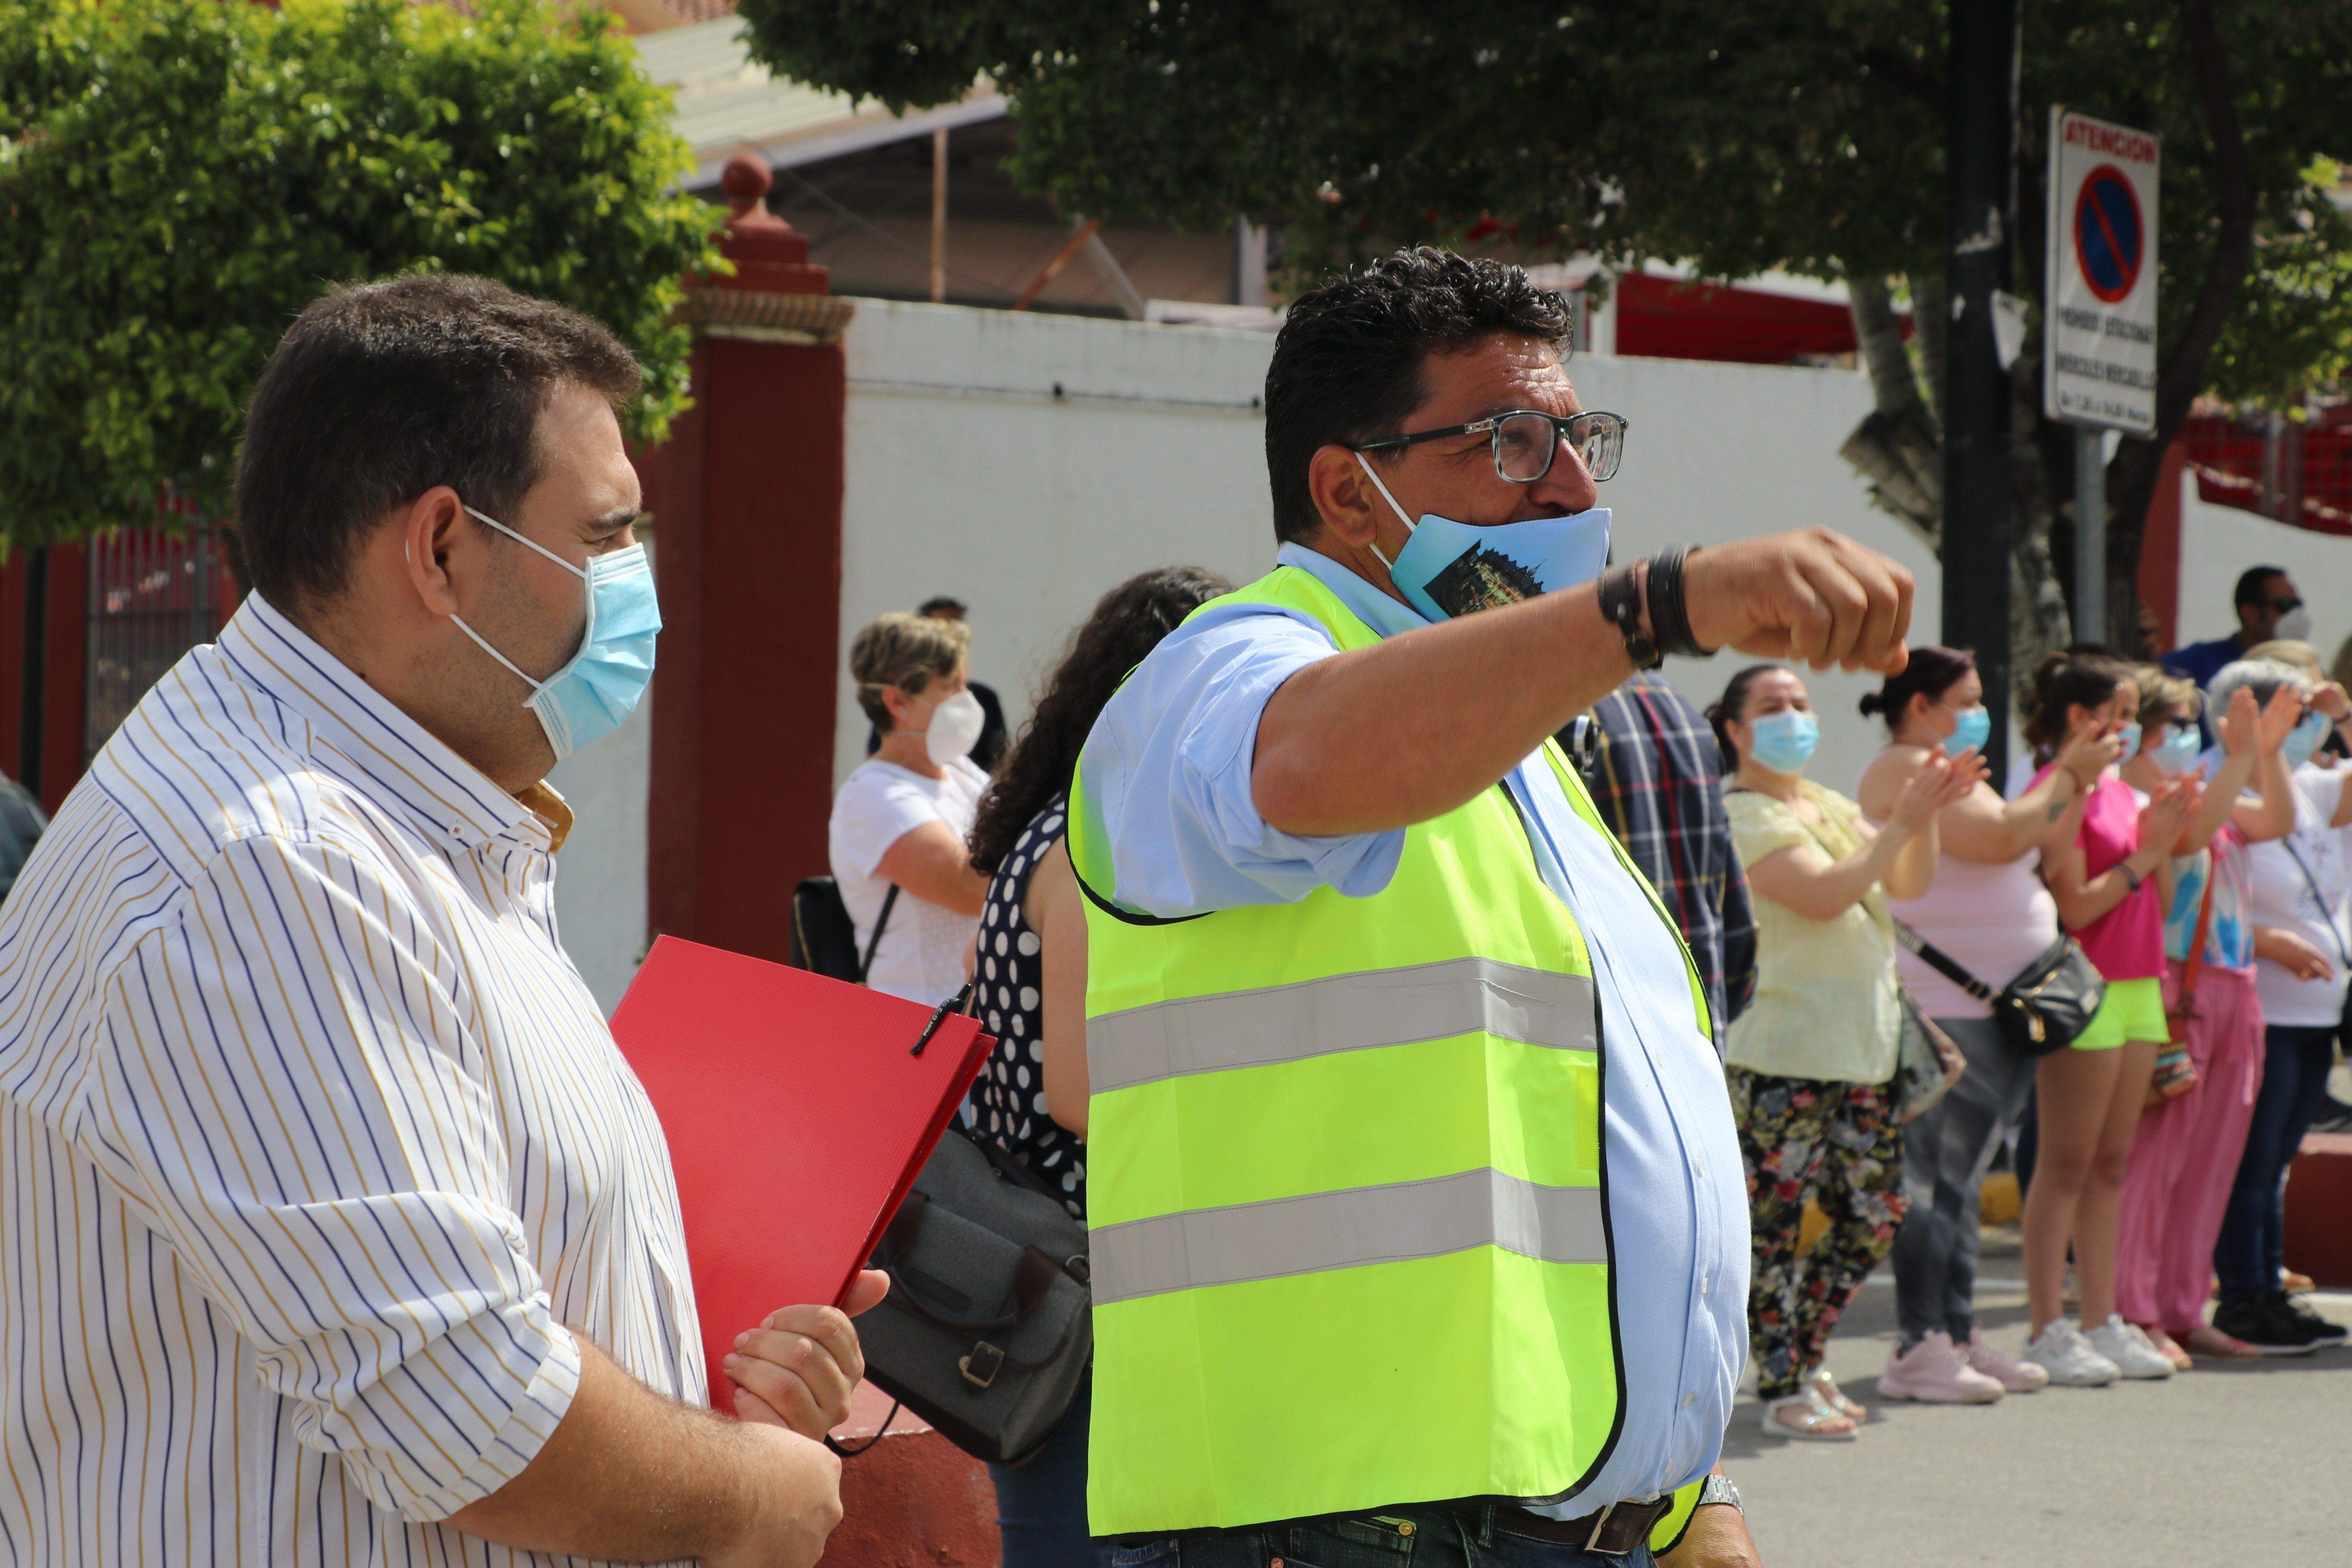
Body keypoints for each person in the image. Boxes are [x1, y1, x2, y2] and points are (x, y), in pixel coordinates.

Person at [0, 275, 876, 1566]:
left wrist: (710, 1353)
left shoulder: (413, 823)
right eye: (608, 536)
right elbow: (469, 1410)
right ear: (445, 550)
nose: (638, 585)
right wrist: (751, 1494)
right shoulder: (278, 865)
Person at [1070, 248, 1918, 1566]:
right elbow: (1297, 761)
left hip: (1574, 1520)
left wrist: (1693, 1500)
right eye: (1513, 443)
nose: (1575, 484)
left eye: (1581, 437)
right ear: (1350, 491)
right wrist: (1654, 609)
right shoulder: (1232, 662)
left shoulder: (1523, 755)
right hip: (1329, 1524)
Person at [960, 565, 1231, 1568]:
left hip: (1054, 1264)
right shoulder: (1087, 846)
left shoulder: (1059, 827)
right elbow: (1077, 1091)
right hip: (1078, 1271)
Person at [1711, 663, 1979, 1439]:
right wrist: (1904, 819)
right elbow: (1823, 893)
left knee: (1873, 1212)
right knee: (1775, 1224)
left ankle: (1804, 1354)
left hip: (1861, 1051)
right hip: (1782, 1056)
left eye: (1800, 702)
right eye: (1771, 706)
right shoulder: (1745, 810)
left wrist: (1923, 813)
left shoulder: (1823, 800)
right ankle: (1784, 1378)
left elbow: (1907, 878)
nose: (1793, 716)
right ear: (1735, 729)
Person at [1854, 646, 2116, 1403]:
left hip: (1995, 1005)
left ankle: (1958, 1334)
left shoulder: (1950, 767)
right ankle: (1919, 1343)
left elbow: (2038, 843)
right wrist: (2067, 771)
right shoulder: (1909, 765)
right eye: (1966, 699)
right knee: (1932, 1183)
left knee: (1963, 1184)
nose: (1979, 712)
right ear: (1920, 707)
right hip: (1947, 1006)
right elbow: (2003, 838)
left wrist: (2075, 784)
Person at [2024, 652, 2198, 1385]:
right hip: (2083, 987)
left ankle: (2103, 1318)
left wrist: (2162, 838)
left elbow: (2154, 895)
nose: (2131, 731)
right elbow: (2077, 905)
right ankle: (2046, 1328)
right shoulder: (2054, 790)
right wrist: (2152, 851)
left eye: (2133, 718)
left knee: (2112, 1163)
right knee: (2064, 1163)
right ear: (2078, 719)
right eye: (2122, 716)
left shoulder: (2125, 795)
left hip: (2136, 986)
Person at [2115, 662, 2298, 1363]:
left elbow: (2274, 820)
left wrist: (2268, 756)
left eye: (2191, 728)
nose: (2185, 741)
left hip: (2234, 988)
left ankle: (2184, 1307)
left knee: (2212, 1162)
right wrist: (2244, 759)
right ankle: (2137, 1309)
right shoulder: (2145, 802)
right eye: (2172, 728)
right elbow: (2191, 838)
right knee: (2155, 1162)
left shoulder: (2199, 792)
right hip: (2176, 990)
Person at [2213, 655, 2352, 1352]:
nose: (2308, 726)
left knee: (2280, 1159)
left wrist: (2345, 715)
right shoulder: (2222, 783)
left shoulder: (2315, 786)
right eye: (2295, 713)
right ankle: (2242, 1294)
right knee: (2255, 1160)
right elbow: (2207, 887)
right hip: (2262, 1007)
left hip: (2316, 1012)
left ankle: (2267, 1288)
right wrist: (2265, 940)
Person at [1573, 669, 1757, 1053]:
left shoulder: (1548, 708)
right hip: (1695, 1027)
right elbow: (1731, 895)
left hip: (1605, 1031)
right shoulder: (1679, 706)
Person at [830, 611, 992, 1003]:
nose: (966, 698)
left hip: (980, 1021)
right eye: (950, 685)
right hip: (919, 1029)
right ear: (898, 701)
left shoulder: (962, 772)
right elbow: (972, 889)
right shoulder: (872, 797)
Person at [866, 595, 1011, 770]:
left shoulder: (985, 697)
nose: (954, 637)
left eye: (959, 625)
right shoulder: (905, 695)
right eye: (948, 687)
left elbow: (1002, 757)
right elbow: (878, 755)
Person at [2163, 566, 2308, 740]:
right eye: (2285, 605)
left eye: (2298, 605)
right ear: (2251, 613)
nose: (2295, 615)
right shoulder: (2199, 662)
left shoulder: (2303, 667)